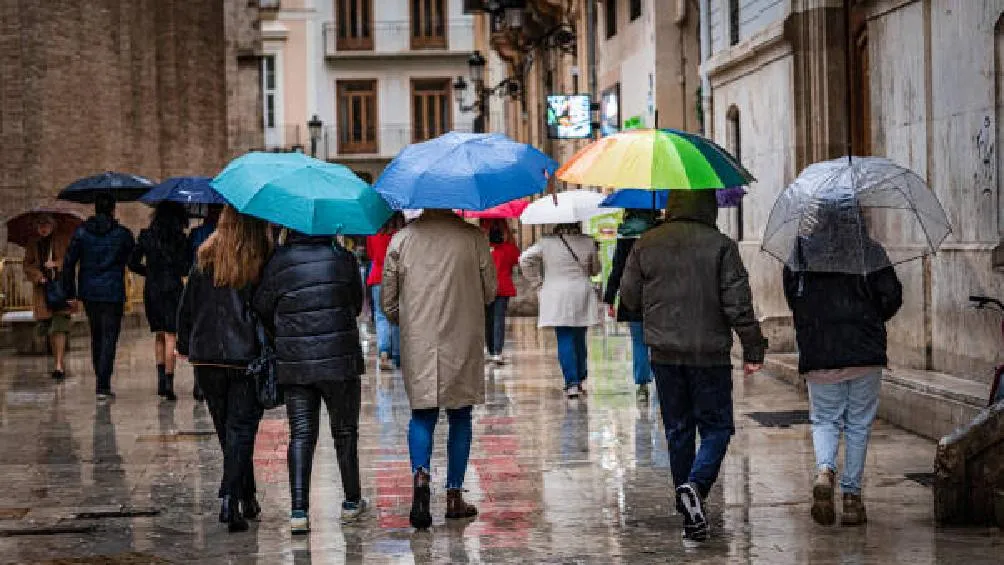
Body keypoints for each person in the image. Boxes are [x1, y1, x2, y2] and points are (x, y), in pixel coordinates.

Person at [620, 190, 766, 543]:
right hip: (709, 354)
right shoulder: (721, 245)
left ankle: (687, 502)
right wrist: (753, 347)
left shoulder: (646, 243)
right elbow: (738, 303)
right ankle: (695, 487)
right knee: (717, 428)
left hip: (665, 354)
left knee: (678, 430)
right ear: (708, 206)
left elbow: (629, 297)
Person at [783, 219, 903, 527]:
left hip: (819, 349)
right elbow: (892, 296)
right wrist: (871, 317)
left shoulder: (801, 252)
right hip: (864, 350)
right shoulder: (871, 251)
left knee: (825, 418)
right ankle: (851, 499)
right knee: (858, 424)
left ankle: (825, 471)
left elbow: (792, 296)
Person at [381, 209, 496, 529]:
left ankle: (420, 479)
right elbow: (490, 291)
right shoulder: (473, 238)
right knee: (460, 415)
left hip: (419, 339)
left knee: (422, 413)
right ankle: (454, 496)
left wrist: (407, 321)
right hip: (462, 336)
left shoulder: (401, 240)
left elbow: (388, 300)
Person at [253, 227, 367, 535]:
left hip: (295, 361)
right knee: (345, 433)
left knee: (301, 434)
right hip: (339, 360)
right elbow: (356, 305)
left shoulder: (278, 261)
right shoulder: (342, 258)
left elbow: (262, 307)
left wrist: (286, 334)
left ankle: (299, 510)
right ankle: (352, 500)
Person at [176, 206, 270, 533]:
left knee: (228, 433)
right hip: (244, 357)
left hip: (206, 360)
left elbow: (186, 307)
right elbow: (265, 309)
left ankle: (248, 495)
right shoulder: (257, 260)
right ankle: (230, 498)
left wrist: (187, 346)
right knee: (241, 430)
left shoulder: (203, 259)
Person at [62, 193, 136, 401]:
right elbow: (132, 259)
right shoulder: (122, 234)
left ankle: (100, 378)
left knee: (96, 334)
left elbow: (69, 263)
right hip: (113, 291)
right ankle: (103, 384)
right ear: (113, 209)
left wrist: (70, 293)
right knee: (110, 337)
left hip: (89, 291)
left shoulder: (81, 233)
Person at [519, 223, 601, 399]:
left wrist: (537, 281)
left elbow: (524, 259)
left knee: (564, 337)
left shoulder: (545, 243)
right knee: (579, 337)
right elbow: (595, 270)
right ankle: (580, 377)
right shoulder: (587, 242)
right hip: (580, 293)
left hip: (556, 295)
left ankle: (571, 383)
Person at [128, 201, 190, 401]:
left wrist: (150, 272)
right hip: (173, 288)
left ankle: (161, 382)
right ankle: (170, 382)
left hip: (153, 289)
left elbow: (132, 262)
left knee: (159, 335)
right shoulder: (181, 239)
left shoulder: (146, 236)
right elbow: (185, 268)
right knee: (172, 334)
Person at [603, 209, 660, 401]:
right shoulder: (660, 232)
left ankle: (642, 384)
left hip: (632, 293)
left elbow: (617, 268)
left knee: (639, 340)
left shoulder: (624, 233)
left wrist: (610, 298)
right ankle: (661, 380)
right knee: (660, 339)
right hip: (658, 292)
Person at [23, 214, 73, 380]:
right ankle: (57, 361)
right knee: (51, 328)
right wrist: (38, 276)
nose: (43, 227)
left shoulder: (63, 240)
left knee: (59, 326)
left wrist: (57, 264)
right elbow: (27, 265)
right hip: (43, 291)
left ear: (53, 225)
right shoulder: (33, 244)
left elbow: (71, 260)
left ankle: (59, 364)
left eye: (46, 224)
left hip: (60, 289)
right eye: (40, 224)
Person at [367, 213, 405, 371]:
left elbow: (370, 254)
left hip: (377, 276)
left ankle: (384, 351)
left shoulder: (374, 232)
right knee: (396, 314)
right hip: (396, 277)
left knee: (381, 315)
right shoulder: (401, 234)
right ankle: (397, 354)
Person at [480, 218, 520, 365]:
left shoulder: (484, 249)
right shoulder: (508, 248)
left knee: (487, 320)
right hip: (503, 288)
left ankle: (490, 348)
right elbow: (517, 259)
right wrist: (510, 237)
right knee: (498, 319)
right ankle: (497, 351)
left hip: (485, 288)